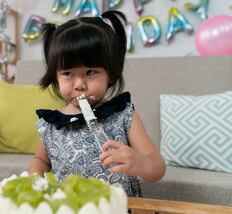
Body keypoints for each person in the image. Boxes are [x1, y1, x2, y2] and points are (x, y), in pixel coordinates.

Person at [28, 10, 166, 197]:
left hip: (118, 213)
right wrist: (36, 178)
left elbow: (157, 167)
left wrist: (141, 163)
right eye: (67, 73)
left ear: (111, 73)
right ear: (56, 76)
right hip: (66, 212)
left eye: (91, 72)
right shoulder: (52, 124)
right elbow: (41, 160)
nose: (79, 85)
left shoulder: (123, 115)